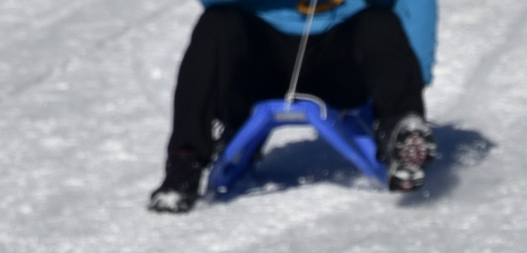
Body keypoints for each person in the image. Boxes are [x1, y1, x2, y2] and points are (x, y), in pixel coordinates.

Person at [148, 0, 438, 213]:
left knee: (378, 23)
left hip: (340, 58)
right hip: (261, 56)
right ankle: (185, 162)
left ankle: (402, 135)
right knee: (218, 22)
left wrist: (415, 74)